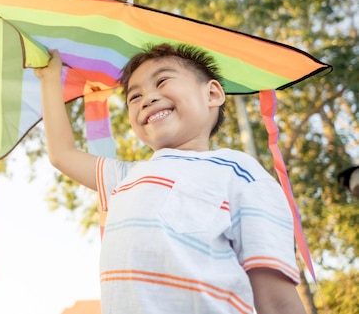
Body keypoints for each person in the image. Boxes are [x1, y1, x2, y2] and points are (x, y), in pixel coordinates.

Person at [34, 43, 307, 314]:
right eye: (134, 97)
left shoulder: (239, 172)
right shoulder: (127, 177)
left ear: (212, 94)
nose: (147, 99)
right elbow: (62, 154)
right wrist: (49, 81)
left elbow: (275, 298)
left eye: (162, 81)